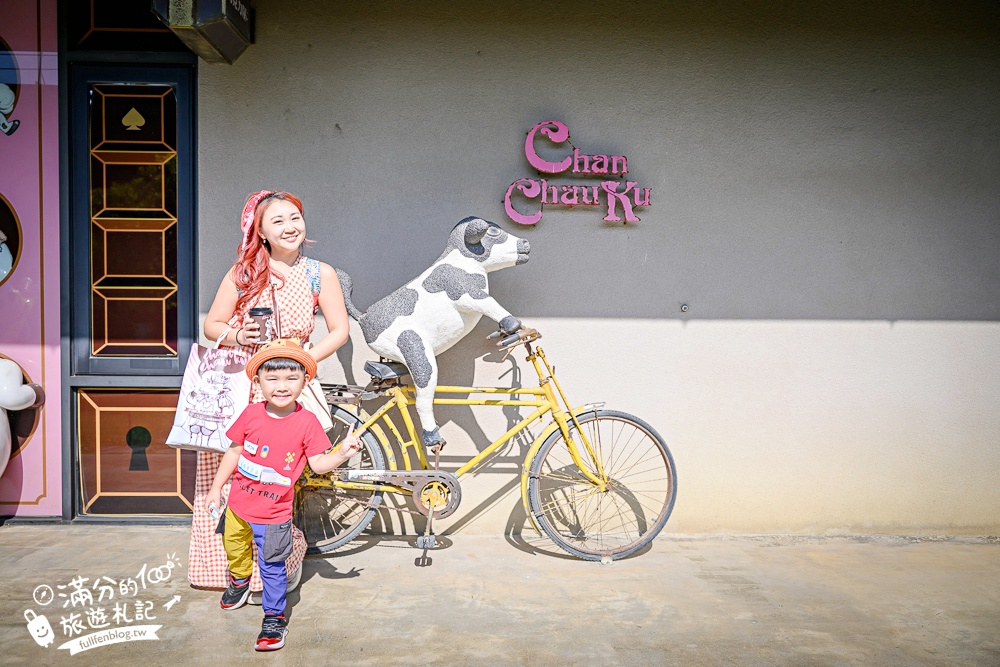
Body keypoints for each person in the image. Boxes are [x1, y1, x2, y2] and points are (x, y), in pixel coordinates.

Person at [189, 190, 351, 596]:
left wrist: (302, 364)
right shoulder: (243, 272)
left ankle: (274, 569)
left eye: (295, 217)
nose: (290, 227)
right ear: (259, 230)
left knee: (279, 482)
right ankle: (229, 574)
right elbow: (212, 324)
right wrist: (237, 334)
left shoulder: (320, 273)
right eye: (277, 220)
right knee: (230, 479)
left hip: (289, 386)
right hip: (244, 386)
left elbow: (340, 330)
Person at [207, 339, 361, 651]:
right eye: (272, 378)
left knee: (273, 566)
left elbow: (318, 464)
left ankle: (274, 618)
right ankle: (238, 581)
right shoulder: (250, 414)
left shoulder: (307, 423)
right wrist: (215, 488)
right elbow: (234, 452)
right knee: (233, 548)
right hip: (237, 506)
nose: (281, 386)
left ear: (306, 381)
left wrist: (342, 453)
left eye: (292, 378)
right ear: (258, 381)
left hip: (274, 516)